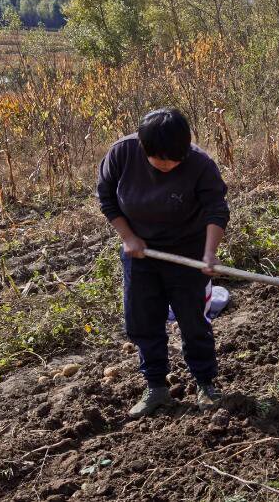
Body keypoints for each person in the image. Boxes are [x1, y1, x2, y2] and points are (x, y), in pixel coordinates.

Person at [97, 108, 230, 418]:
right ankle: (156, 387)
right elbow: (106, 197)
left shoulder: (200, 165)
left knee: (193, 320)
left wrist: (208, 254)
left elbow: (216, 210)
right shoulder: (122, 154)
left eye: (176, 159)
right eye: (162, 160)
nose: (170, 165)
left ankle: (206, 384)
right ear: (144, 149)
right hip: (140, 253)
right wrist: (129, 238)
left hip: (186, 252)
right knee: (143, 321)